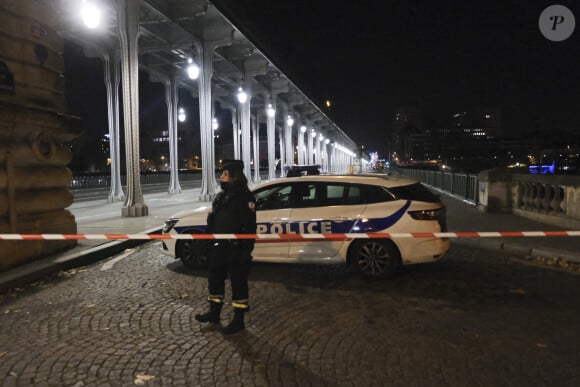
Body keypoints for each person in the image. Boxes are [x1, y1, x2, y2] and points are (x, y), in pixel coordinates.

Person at [195, 159, 257, 334]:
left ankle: (239, 320)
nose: (221, 176)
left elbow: (250, 228)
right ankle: (214, 314)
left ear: (233, 175)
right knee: (214, 280)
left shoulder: (245, 198)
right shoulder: (221, 197)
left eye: (224, 174)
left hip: (235, 249)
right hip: (218, 248)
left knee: (238, 284)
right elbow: (214, 222)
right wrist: (207, 244)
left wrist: (246, 252)